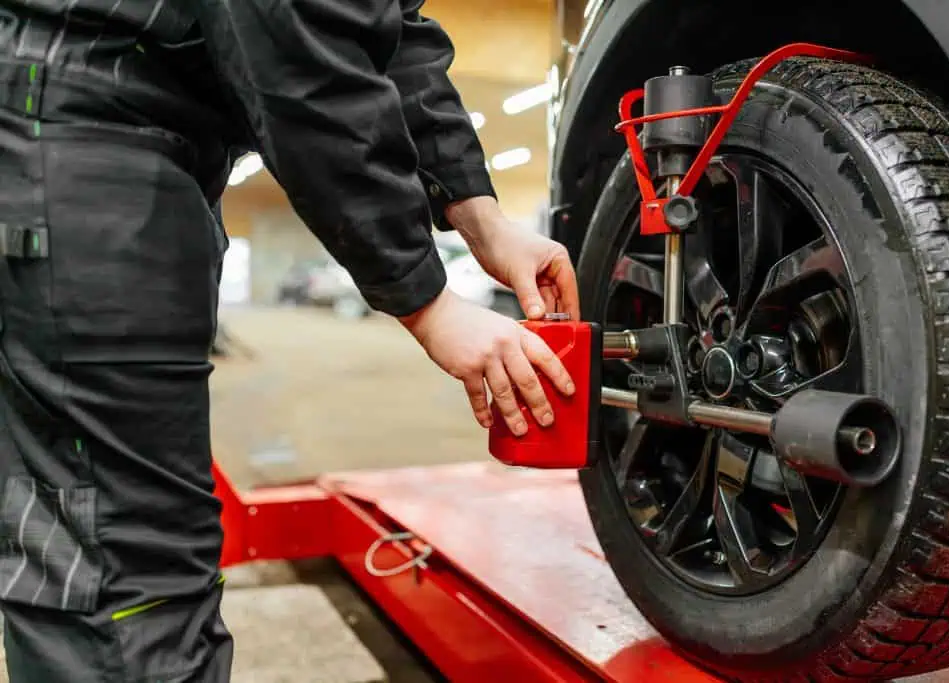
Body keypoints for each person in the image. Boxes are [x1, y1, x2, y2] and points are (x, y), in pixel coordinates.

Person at [0, 0, 580, 680]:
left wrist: (484, 220)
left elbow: (389, 34)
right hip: (80, 125)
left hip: (96, 128)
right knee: (127, 573)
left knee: (117, 543)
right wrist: (428, 302)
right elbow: (296, 38)